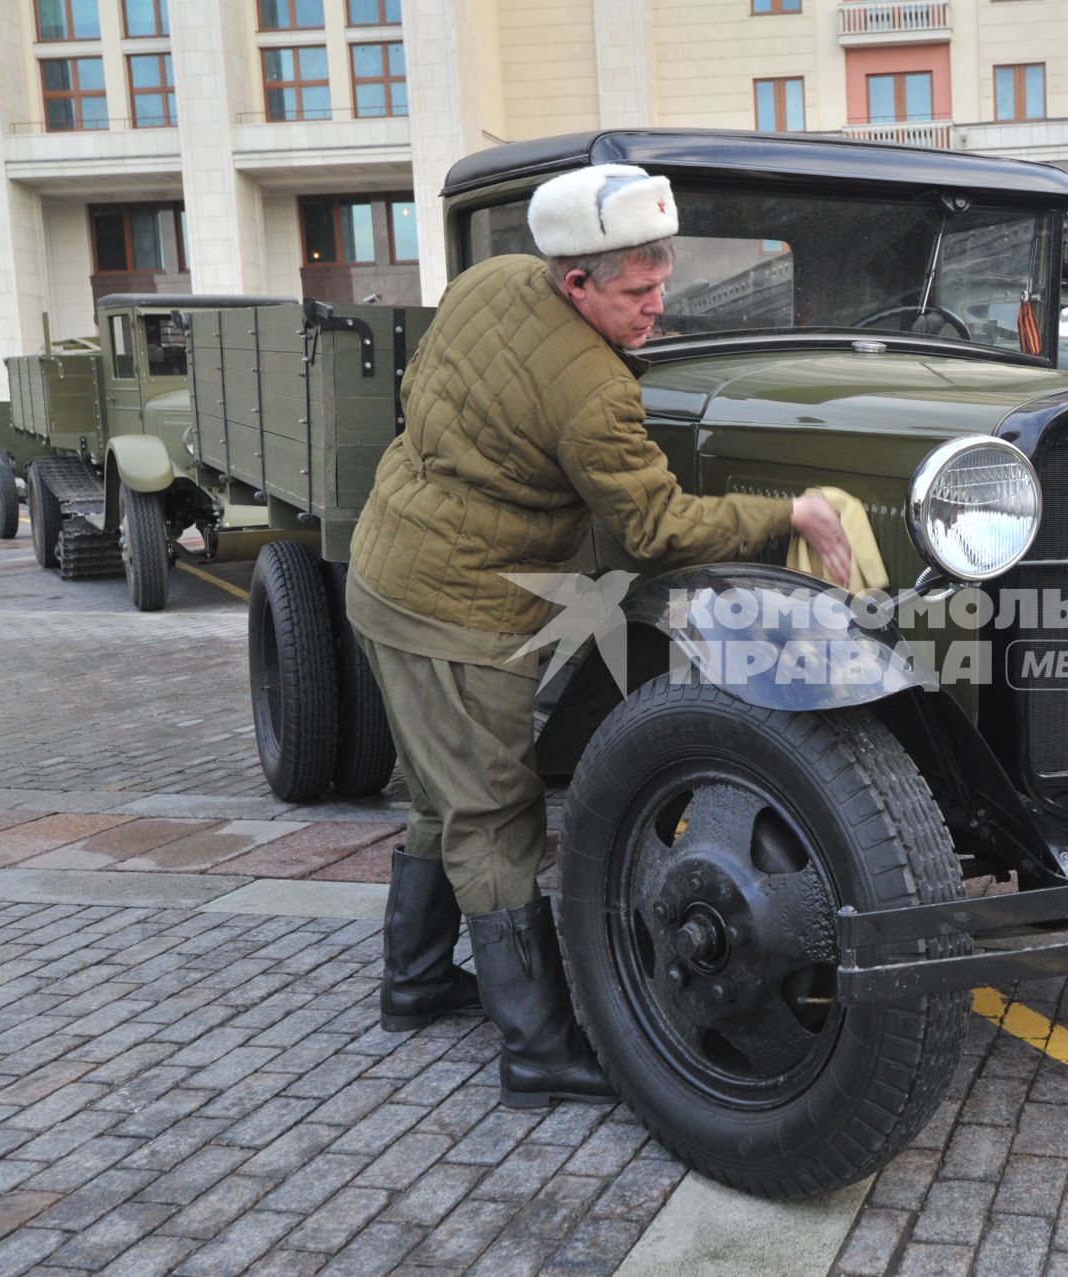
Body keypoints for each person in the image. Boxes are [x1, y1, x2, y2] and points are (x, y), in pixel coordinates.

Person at [346, 163, 852, 1107]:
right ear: (576, 280)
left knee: (437, 795)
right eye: (636, 291)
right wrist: (791, 511)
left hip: (389, 565)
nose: (658, 305)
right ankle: (538, 1049)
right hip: (455, 609)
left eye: (664, 281)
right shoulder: (592, 393)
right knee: (494, 816)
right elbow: (656, 530)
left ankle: (414, 984)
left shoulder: (489, 281)